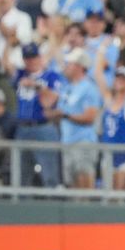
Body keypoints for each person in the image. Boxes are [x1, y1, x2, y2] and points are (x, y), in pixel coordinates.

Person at [45, 47, 101, 189]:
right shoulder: (67, 88)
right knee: (72, 187)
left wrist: (64, 115)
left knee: (85, 186)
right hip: (67, 142)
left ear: (79, 67)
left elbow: (90, 117)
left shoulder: (89, 88)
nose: (66, 66)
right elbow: (54, 106)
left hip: (83, 142)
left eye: (70, 64)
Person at [14, 43, 63, 187]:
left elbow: (49, 102)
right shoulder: (20, 74)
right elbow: (6, 65)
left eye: (33, 57)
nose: (31, 61)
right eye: (27, 58)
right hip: (23, 128)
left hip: (43, 128)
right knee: (21, 175)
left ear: (40, 57)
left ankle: (54, 206)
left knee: (49, 174)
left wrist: (36, 86)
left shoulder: (51, 76)